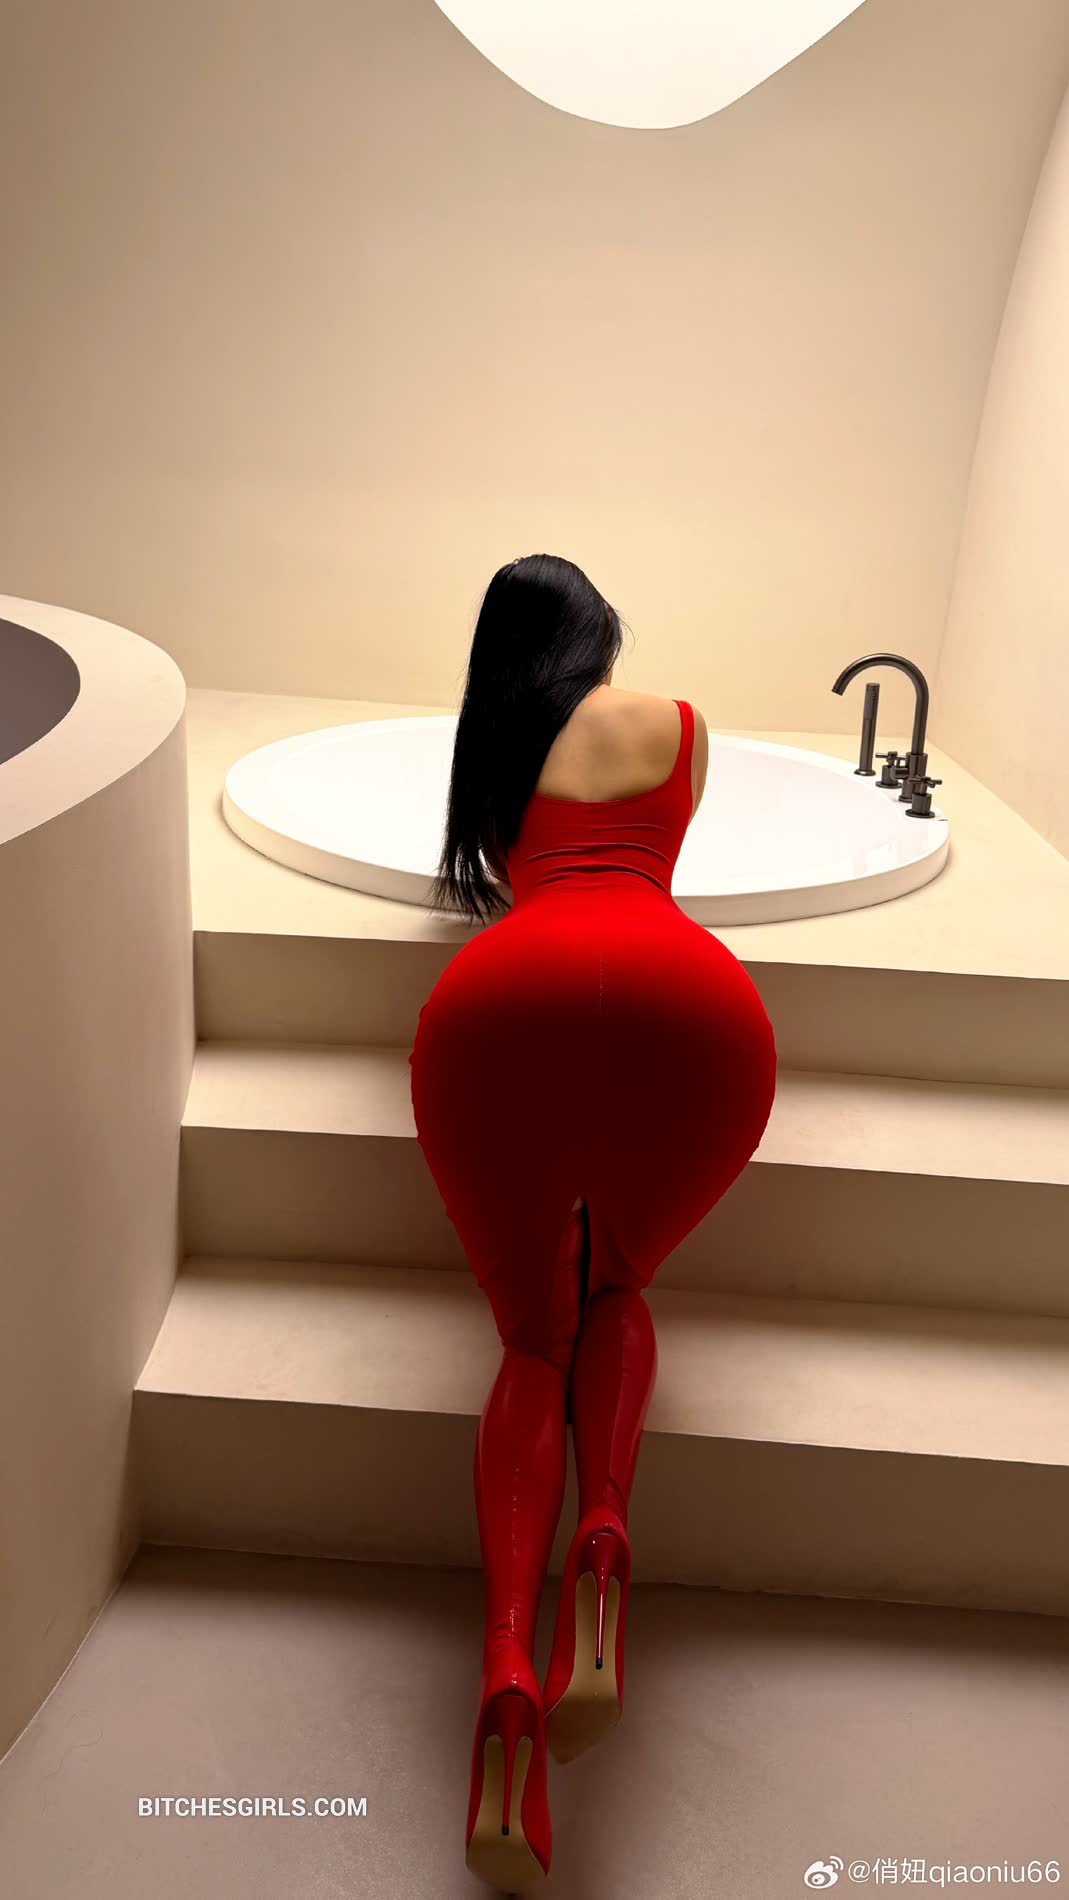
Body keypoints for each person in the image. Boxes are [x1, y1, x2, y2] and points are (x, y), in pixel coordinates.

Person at [408, 553, 777, 1891]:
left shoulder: (491, 744)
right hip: (692, 1011)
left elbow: (514, 876)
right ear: (599, 643)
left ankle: (509, 1659)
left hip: (502, 1005)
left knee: (531, 1342)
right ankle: (605, 1530)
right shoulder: (676, 724)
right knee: (617, 1287)